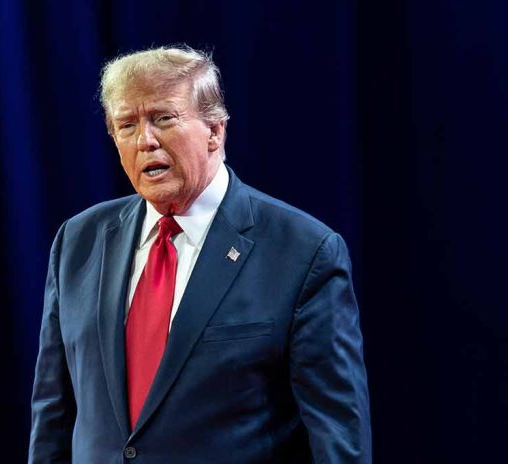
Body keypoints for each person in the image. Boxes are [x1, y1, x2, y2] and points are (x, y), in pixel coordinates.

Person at [28, 45, 371, 463]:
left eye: (163, 118)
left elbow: (337, 435)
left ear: (215, 130)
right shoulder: (78, 241)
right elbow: (53, 416)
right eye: (126, 125)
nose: (145, 140)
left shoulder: (303, 251)